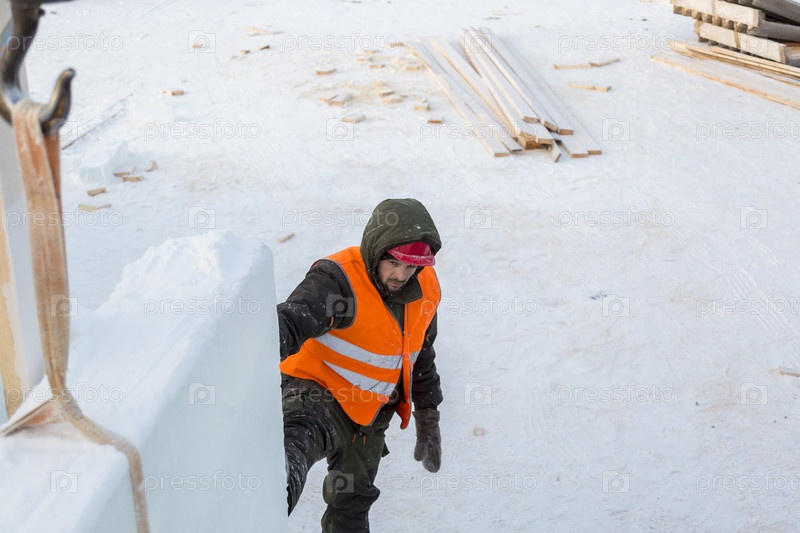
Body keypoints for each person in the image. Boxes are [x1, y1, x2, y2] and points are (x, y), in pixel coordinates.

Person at [277, 198, 443, 532]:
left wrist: (428, 412)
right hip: (316, 395)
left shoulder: (425, 289)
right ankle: (261, 504)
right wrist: (245, 354)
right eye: (393, 263)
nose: (401, 275)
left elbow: (421, 353)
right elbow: (293, 320)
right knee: (292, 451)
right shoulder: (338, 281)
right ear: (376, 250)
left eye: (411, 266)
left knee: (352, 506)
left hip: (368, 414)